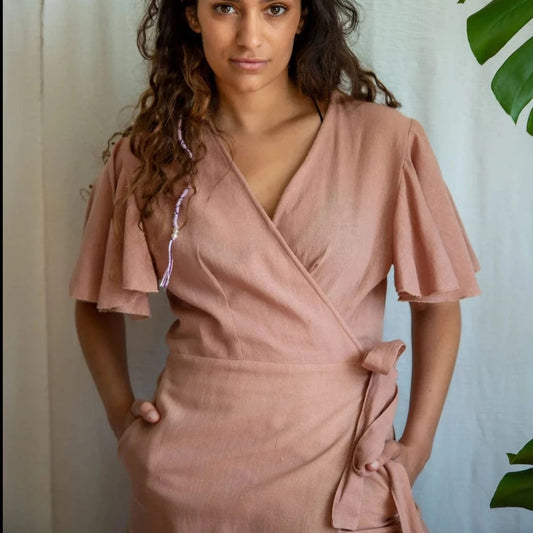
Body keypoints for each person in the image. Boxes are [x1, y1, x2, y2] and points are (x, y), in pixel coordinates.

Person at [69, 1, 481, 532]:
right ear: (192, 16)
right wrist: (121, 416)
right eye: (226, 8)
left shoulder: (385, 141)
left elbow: (438, 303)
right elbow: (94, 300)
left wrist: (419, 443)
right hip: (186, 476)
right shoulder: (151, 155)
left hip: (341, 466)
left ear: (302, 18)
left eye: (274, 9)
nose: (249, 36)